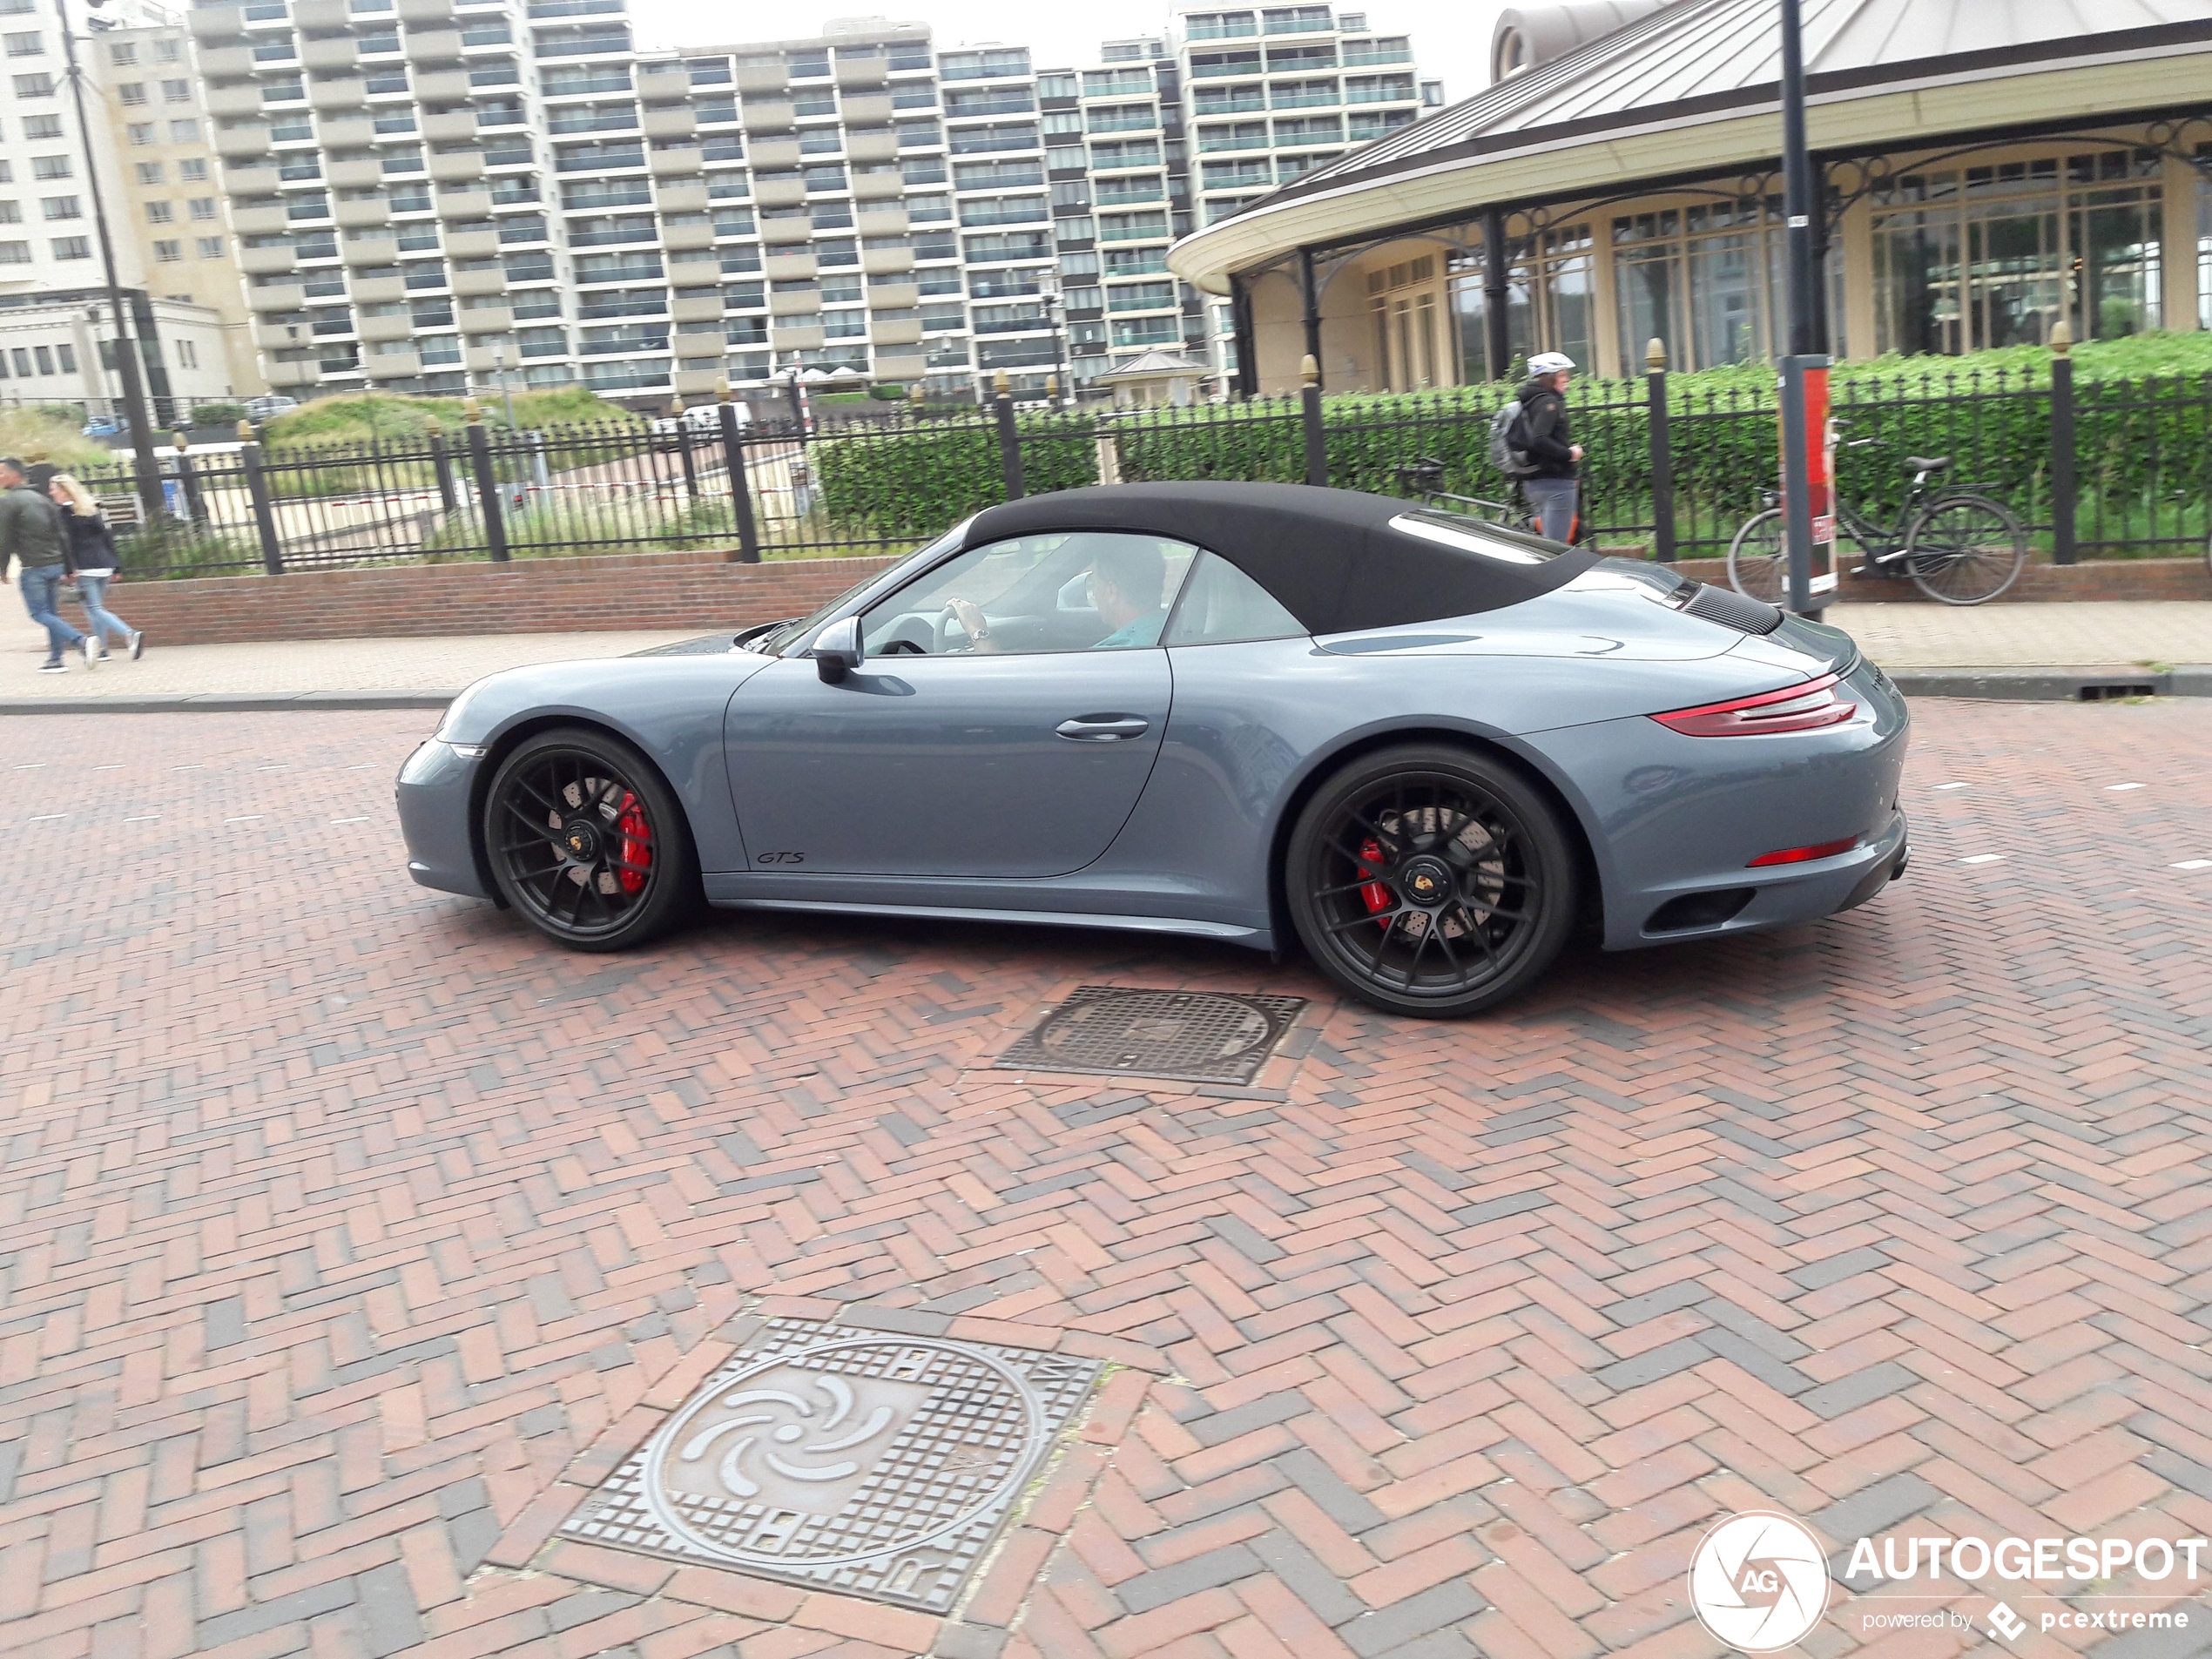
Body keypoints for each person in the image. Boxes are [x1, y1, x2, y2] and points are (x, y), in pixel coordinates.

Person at [946, 537, 1169, 654]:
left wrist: (977, 631)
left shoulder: (1116, 654)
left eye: (1094, 582)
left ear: (1112, 592)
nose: (1094, 592)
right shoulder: (1170, 629)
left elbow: (1005, 693)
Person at [0, 455, 94, 673]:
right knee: (51, 613)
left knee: (38, 613)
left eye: (2, 472)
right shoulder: (43, 499)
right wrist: (69, 568)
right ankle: (56, 659)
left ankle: (81, 640)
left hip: (34, 566)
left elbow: (4, 539)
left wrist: (2, 568)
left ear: (15, 474)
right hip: (55, 565)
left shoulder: (8, 502)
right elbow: (62, 536)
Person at [51, 474, 141, 660]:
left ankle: (129, 634)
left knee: (94, 609)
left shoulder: (63, 514)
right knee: (96, 608)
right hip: (105, 564)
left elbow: (66, 544)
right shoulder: (94, 508)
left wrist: (69, 569)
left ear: (65, 491)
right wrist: (117, 566)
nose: (50, 492)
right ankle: (102, 650)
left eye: (54, 489)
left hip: (84, 567)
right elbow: (108, 538)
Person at [1516, 351, 1585, 543]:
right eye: (1562, 375)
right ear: (1549, 377)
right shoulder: (1548, 403)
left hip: (1534, 484)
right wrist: (1569, 453)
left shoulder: (1529, 401)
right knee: (1555, 547)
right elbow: (1539, 439)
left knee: (1547, 542)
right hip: (1556, 484)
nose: (1567, 380)